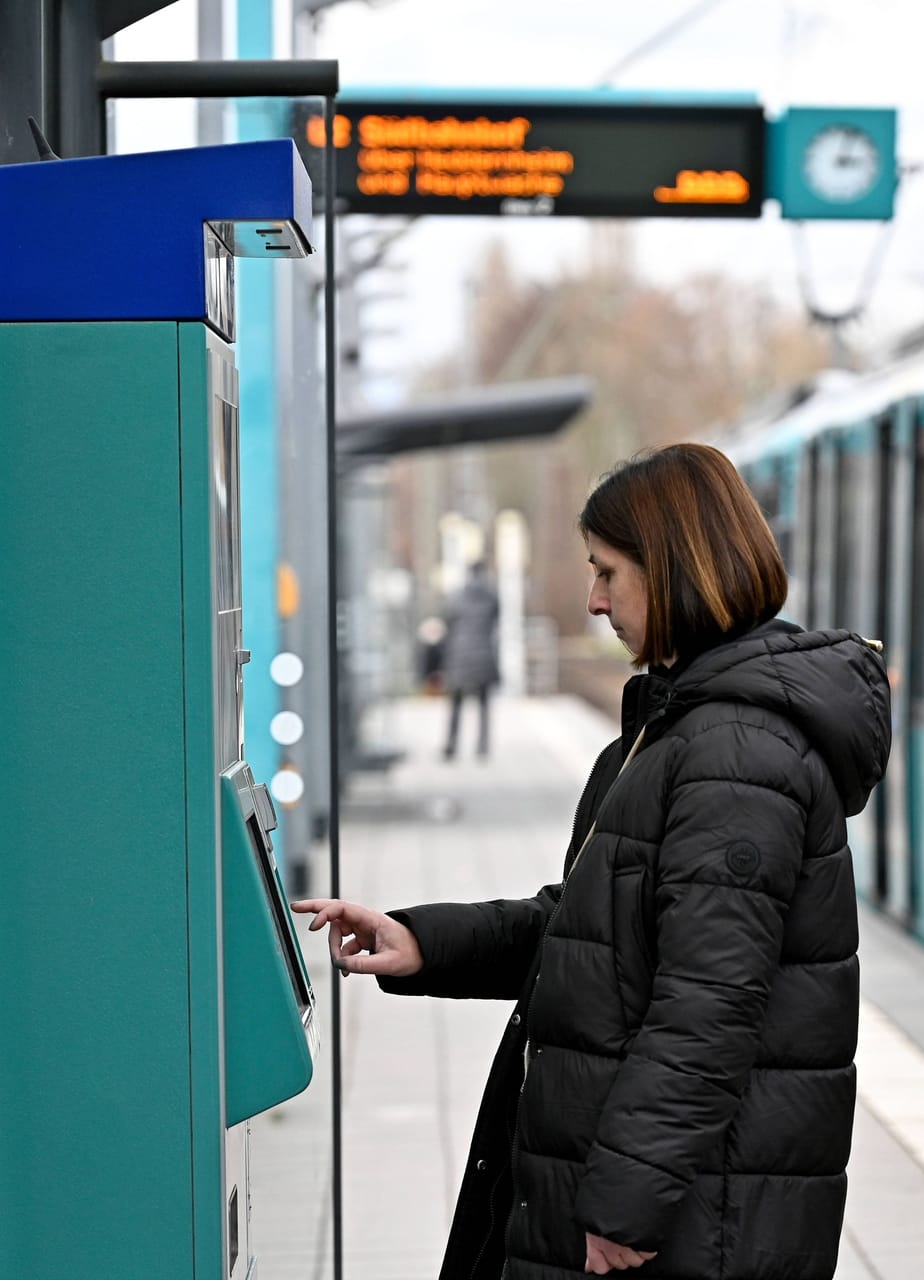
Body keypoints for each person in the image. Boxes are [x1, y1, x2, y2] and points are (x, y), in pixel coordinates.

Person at [294, 443, 889, 1279]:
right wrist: (424, 940)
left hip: (682, 1226)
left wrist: (626, 1208)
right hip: (662, 1203)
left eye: (609, 572)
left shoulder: (737, 753)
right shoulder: (682, 726)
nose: (594, 598)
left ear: (677, 567)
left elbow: (707, 1004)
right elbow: (595, 933)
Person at [442, 561, 501, 759]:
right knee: (484, 703)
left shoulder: (456, 597)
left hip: (460, 655)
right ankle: (483, 745)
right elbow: (495, 621)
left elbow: (448, 622)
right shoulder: (491, 596)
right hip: (484, 655)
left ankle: (451, 743)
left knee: (455, 703)